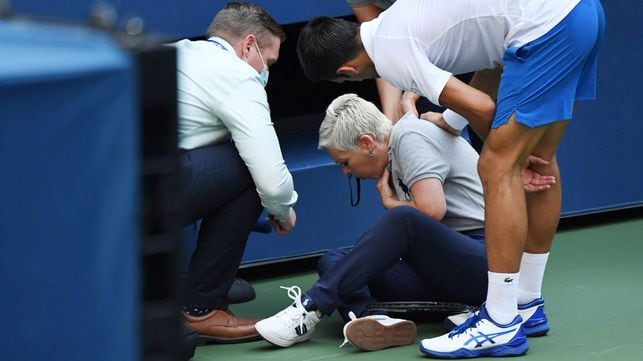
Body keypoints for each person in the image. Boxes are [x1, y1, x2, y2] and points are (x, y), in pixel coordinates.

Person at [296, 0, 605, 357]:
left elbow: (483, 107)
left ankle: (501, 322)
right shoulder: (395, 22)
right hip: (580, 12)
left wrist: (511, 160)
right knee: (542, 159)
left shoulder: (390, 55)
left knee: (498, 165)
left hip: (549, 25)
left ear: (347, 71)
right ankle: (526, 304)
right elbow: (492, 66)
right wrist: (450, 121)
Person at [254, 94, 553, 351]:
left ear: (367, 143)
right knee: (334, 259)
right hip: (444, 272)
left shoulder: (408, 137)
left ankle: (310, 308)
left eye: (345, 162)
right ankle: (375, 321)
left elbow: (432, 210)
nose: (346, 171)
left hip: (487, 262)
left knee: (403, 218)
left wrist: (391, 203)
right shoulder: (398, 143)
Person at [171, 2, 298, 343]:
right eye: (268, 62)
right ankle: (202, 308)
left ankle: (193, 285)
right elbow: (271, 180)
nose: (266, 71)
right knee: (248, 167)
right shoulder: (238, 75)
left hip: (97, 190)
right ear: (248, 45)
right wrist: (282, 210)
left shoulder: (178, 51)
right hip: (136, 199)